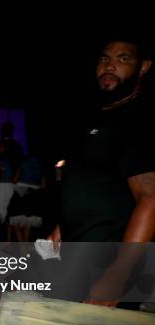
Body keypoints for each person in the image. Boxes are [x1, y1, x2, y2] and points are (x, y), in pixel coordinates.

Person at [49, 37, 155, 306]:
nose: (109, 66)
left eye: (123, 59)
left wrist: (117, 276)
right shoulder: (100, 116)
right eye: (104, 58)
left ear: (143, 67)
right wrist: (62, 228)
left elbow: (150, 199)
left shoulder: (138, 118)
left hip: (106, 265)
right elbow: (96, 183)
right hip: (77, 255)